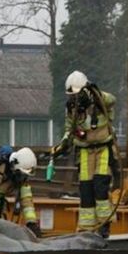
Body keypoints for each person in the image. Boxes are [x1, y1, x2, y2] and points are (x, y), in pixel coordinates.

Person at [51, 71, 119, 237]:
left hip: (103, 149)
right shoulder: (72, 108)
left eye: (77, 94)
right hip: (84, 151)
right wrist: (61, 146)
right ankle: (87, 229)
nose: (74, 98)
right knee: (86, 190)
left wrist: (95, 95)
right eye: (72, 95)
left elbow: (112, 100)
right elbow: (69, 128)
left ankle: (105, 224)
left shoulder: (100, 101)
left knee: (100, 186)